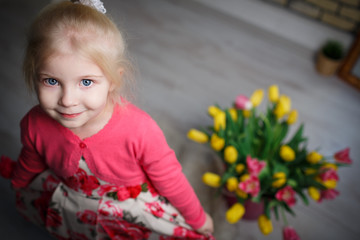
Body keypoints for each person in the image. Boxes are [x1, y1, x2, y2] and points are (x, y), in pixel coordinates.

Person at [0, 0, 214, 239]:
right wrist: (20, 180)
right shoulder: (34, 123)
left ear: (113, 80)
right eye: (51, 81)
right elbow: (32, 158)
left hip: (127, 214)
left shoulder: (140, 130)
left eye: (86, 82)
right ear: (34, 74)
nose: (68, 100)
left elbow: (170, 179)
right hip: (71, 206)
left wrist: (198, 217)